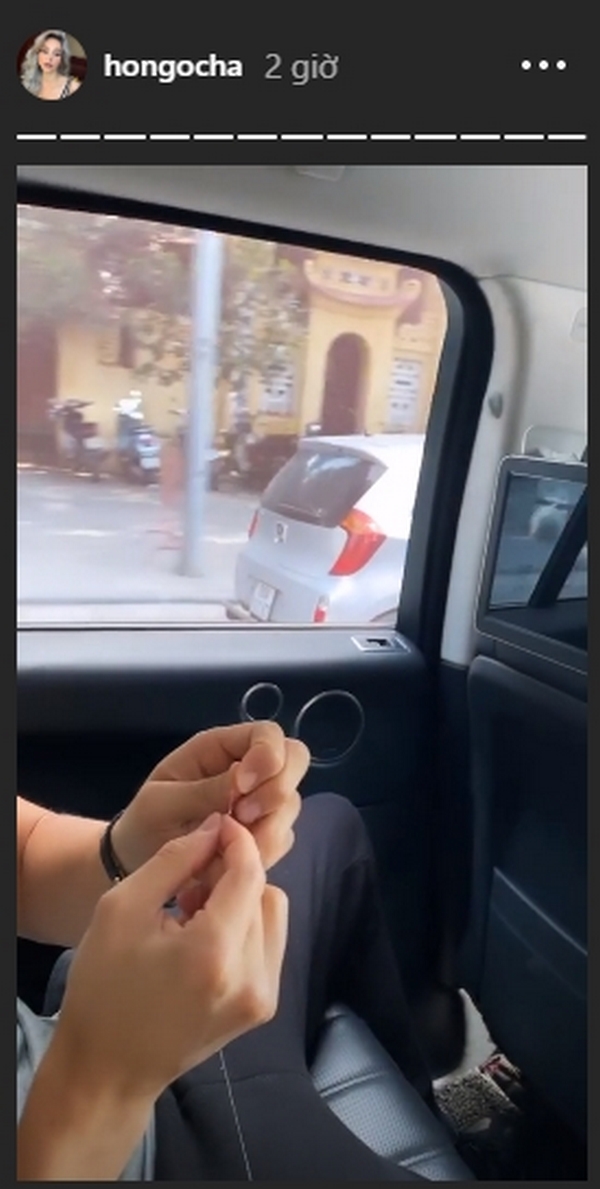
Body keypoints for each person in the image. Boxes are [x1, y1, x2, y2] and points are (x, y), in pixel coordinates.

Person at [17, 721, 436, 1180]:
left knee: (333, 829)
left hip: (84, 1033)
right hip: (112, 1143)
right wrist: (105, 1080)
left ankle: (436, 1118)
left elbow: (23, 854)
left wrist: (124, 853)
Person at [20, 30, 82, 100]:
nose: (49, 58)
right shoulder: (27, 83)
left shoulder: (73, 87)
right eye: (45, 51)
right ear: (37, 54)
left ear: (62, 59)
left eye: (56, 54)